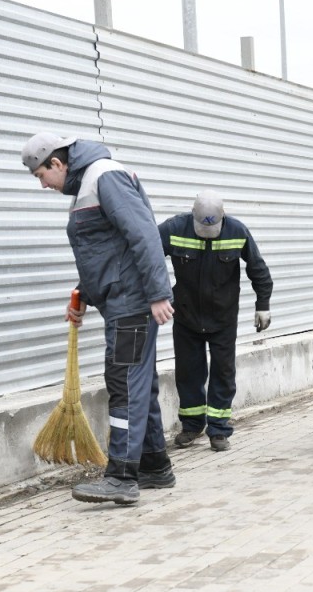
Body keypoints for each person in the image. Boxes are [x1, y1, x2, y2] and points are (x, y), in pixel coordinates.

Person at [21, 133, 175, 506]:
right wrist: (83, 296)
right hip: (123, 301)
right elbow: (106, 254)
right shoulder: (88, 185)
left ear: (57, 164)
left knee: (123, 381)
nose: (43, 185)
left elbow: (143, 235)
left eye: (41, 175)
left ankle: (122, 477)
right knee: (139, 383)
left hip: (133, 305)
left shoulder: (103, 176)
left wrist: (157, 293)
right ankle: (154, 465)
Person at [158, 192, 274, 452]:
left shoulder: (237, 231)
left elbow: (258, 270)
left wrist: (263, 305)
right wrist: (158, 295)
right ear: (193, 215)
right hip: (186, 316)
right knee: (188, 372)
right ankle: (191, 425)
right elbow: (147, 259)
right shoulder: (173, 229)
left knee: (223, 372)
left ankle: (219, 430)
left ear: (223, 217)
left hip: (223, 317)